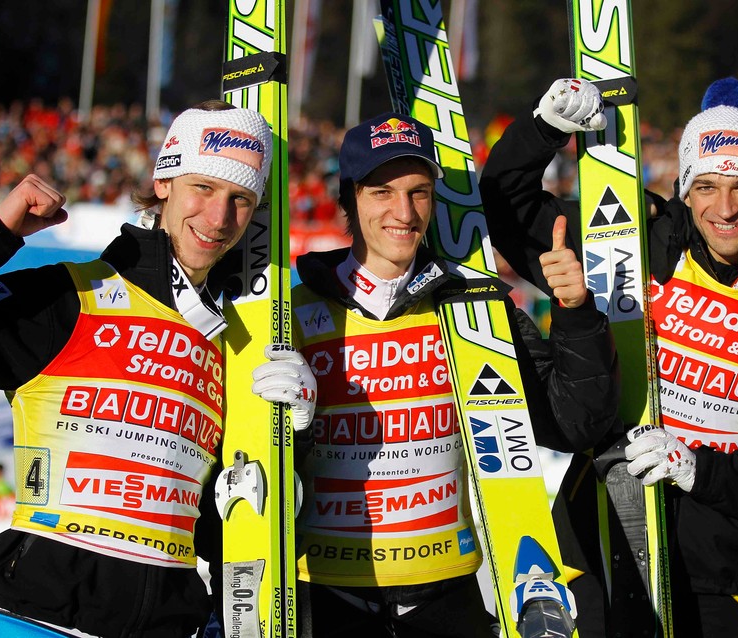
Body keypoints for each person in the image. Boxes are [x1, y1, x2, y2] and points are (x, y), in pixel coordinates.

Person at [478, 77, 738, 637]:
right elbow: (502, 206)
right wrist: (542, 131)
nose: (725, 207)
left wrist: (698, 468)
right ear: (685, 190)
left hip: (722, 579)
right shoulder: (633, 246)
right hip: (604, 549)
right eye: (707, 186)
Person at [249, 111, 620, 637]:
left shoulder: (474, 311)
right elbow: (252, 467)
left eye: (419, 192)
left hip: (447, 596)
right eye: (383, 192)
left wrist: (576, 311)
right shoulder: (293, 313)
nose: (404, 211)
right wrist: (298, 431)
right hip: (328, 595)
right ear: (351, 197)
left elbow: (572, 426)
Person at [0, 101, 275, 637]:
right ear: (164, 181)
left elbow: (222, 524)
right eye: (203, 188)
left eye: (240, 200)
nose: (218, 219)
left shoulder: (235, 341)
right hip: (39, 619)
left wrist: (287, 446)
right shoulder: (70, 296)